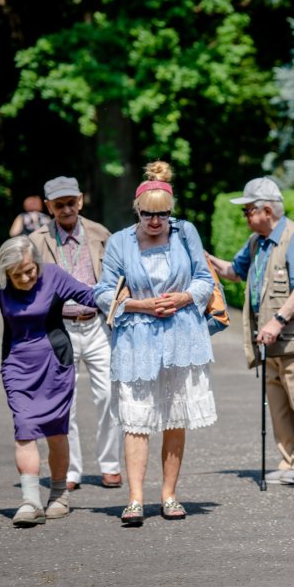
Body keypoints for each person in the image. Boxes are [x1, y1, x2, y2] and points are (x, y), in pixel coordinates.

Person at [94, 161, 216, 525]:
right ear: (138, 211)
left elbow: (204, 279)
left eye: (162, 215)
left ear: (171, 212)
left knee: (174, 418)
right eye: (148, 215)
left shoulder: (186, 233)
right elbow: (102, 293)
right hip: (136, 341)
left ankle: (169, 494)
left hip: (181, 338)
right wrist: (140, 304)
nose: (155, 222)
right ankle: (134, 499)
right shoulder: (119, 241)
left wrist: (181, 298)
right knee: (136, 420)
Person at [0, 236, 97, 526]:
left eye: (30, 270)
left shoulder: (52, 276)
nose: (26, 277)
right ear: (7, 273)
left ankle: (59, 494)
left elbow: (88, 295)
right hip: (17, 365)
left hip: (56, 362)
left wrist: (117, 296)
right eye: (18, 274)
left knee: (55, 430)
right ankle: (30, 501)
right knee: (24, 429)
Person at [208, 177, 294, 486]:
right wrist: (204, 259)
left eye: (248, 211)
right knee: (279, 408)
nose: (245, 217)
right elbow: (234, 271)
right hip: (267, 344)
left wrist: (278, 320)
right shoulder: (257, 241)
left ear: (267, 210)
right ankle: (289, 461)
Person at [29, 176, 120, 492]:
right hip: (59, 327)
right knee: (63, 400)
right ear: (48, 207)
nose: (66, 209)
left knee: (109, 394)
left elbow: (116, 278)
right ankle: (70, 470)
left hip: (97, 324)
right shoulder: (37, 240)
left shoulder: (100, 233)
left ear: (80, 201)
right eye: (59, 204)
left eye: (71, 202)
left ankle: (110, 465)